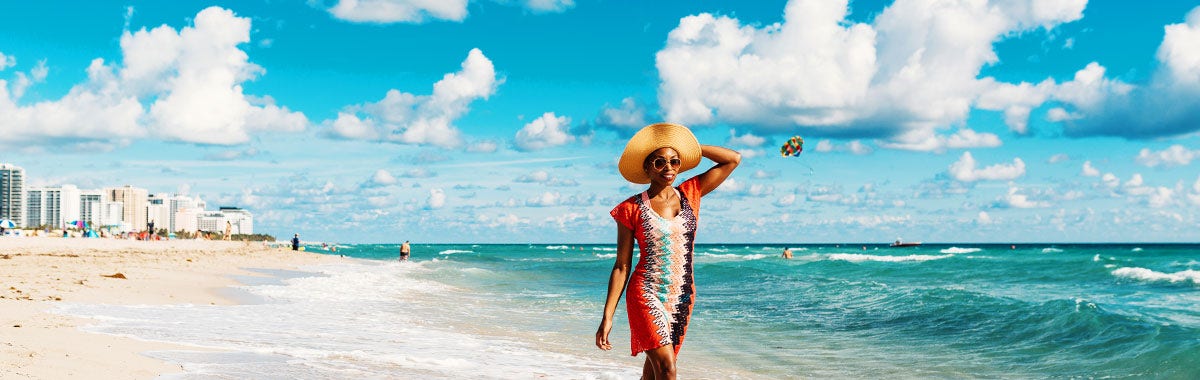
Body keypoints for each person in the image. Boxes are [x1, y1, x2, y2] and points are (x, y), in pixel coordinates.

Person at [595, 122, 740, 380]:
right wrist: (607, 316)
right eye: (660, 162)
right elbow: (621, 266)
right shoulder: (630, 209)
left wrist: (692, 148)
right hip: (645, 294)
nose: (668, 168)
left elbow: (733, 159)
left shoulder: (691, 193)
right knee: (667, 369)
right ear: (647, 167)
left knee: (653, 374)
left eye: (674, 161)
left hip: (681, 295)